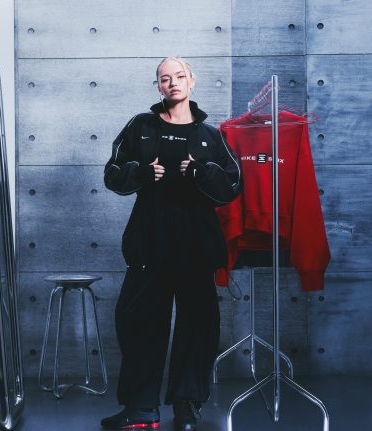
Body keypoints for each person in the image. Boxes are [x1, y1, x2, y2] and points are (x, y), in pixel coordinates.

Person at [101, 56, 242, 431]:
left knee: (197, 327)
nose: (172, 82)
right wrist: (141, 173)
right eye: (165, 78)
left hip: (196, 244)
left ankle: (186, 406)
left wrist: (200, 171)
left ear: (192, 81)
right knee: (138, 322)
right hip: (149, 242)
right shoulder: (140, 126)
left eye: (179, 76)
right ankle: (141, 408)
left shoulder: (211, 136)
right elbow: (112, 174)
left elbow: (231, 186)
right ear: (158, 86)